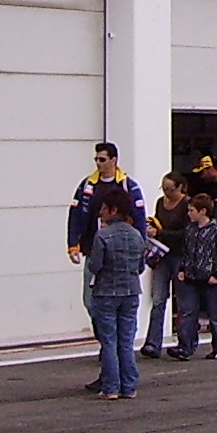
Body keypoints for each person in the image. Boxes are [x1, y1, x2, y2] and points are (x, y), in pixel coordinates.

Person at [67, 142, 146, 343]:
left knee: (121, 299)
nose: (98, 163)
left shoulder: (128, 185)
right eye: (96, 159)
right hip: (94, 249)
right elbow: (75, 214)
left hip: (122, 252)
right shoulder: (87, 185)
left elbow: (139, 218)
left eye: (102, 159)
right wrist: (73, 244)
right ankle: (106, 338)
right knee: (90, 300)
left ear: (113, 160)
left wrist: (141, 250)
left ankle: (117, 342)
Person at [82, 185, 148, 398]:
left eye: (103, 208)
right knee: (126, 340)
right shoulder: (137, 235)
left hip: (106, 291)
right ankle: (129, 386)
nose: (100, 211)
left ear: (112, 210)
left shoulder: (103, 236)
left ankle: (111, 387)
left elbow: (95, 266)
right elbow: (140, 266)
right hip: (130, 291)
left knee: (109, 340)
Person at [171, 192, 217, 360]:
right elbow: (186, 251)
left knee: (215, 313)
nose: (189, 213)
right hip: (191, 277)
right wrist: (182, 268)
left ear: (203, 211)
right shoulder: (190, 230)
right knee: (188, 311)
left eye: (192, 210)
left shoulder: (216, 231)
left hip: (210, 278)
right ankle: (185, 346)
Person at [139, 174, 190, 358]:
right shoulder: (161, 203)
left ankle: (184, 342)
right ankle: (153, 342)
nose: (167, 193)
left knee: (184, 300)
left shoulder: (186, 205)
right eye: (164, 189)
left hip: (180, 255)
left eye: (170, 189)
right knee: (158, 299)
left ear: (180, 188)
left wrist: (161, 232)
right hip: (162, 255)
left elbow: (186, 233)